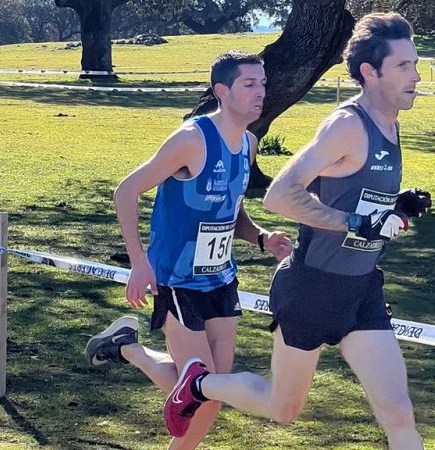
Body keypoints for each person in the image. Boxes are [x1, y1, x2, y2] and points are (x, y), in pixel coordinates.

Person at [162, 12, 432, 450]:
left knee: (398, 413)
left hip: (361, 290)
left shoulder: (390, 124)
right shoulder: (348, 125)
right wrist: (354, 222)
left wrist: (396, 204)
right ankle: (198, 385)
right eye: (403, 66)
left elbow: (353, 194)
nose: (416, 76)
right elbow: (280, 195)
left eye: (415, 64)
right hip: (311, 289)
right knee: (282, 408)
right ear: (370, 72)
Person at [85, 50, 293, 450]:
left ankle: (126, 347)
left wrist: (262, 238)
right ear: (222, 91)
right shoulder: (191, 140)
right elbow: (126, 192)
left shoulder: (248, 144)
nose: (260, 92)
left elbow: (231, 210)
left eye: (263, 84)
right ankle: (128, 349)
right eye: (249, 84)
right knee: (204, 391)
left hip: (221, 278)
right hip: (177, 279)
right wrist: (140, 264)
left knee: (212, 390)